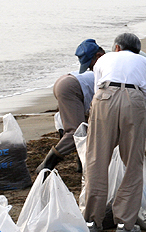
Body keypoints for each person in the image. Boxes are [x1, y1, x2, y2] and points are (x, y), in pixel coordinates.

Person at [83, 33, 146, 232]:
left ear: (117, 48)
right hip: (134, 100)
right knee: (132, 165)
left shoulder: (103, 60)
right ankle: (124, 225)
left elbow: (96, 96)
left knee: (96, 161)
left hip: (104, 97)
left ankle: (92, 221)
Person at [36, 39, 106, 173]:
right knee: (76, 132)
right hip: (71, 86)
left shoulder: (104, 65)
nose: (91, 69)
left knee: (82, 126)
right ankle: (46, 165)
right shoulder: (107, 66)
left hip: (65, 82)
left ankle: (81, 164)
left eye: (90, 65)